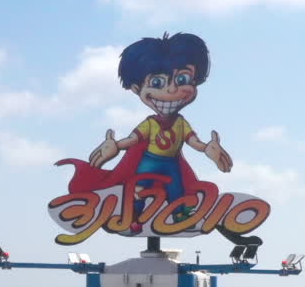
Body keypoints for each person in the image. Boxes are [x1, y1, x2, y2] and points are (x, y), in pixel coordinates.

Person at [86, 32, 233, 233]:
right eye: (157, 83)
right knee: (137, 188)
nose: (172, 90)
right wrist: (116, 146)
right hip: (150, 160)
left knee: (177, 191)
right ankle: (133, 216)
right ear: (137, 88)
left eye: (182, 79)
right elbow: (133, 139)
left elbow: (193, 141)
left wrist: (207, 149)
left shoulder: (181, 123)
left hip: (171, 163)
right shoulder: (150, 123)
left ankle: (179, 216)